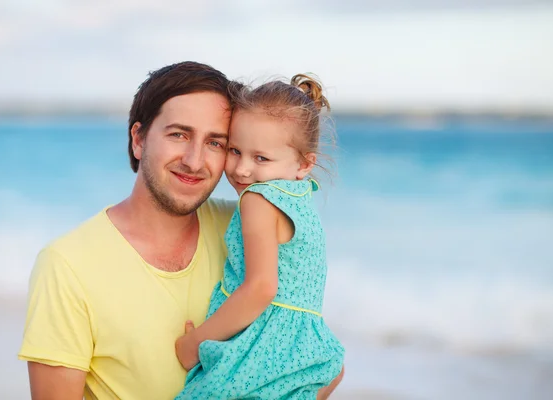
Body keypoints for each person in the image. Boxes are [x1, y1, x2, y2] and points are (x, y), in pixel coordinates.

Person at [18, 61, 237, 399]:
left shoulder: (245, 232)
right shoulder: (67, 265)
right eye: (179, 134)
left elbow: (320, 366)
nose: (195, 161)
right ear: (139, 139)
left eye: (215, 143)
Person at [174, 74, 345, 399]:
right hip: (304, 350)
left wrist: (193, 345)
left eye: (261, 158)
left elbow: (261, 288)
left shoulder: (258, 199)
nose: (241, 169)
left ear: (304, 164)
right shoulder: (299, 200)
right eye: (235, 150)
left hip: (261, 349)